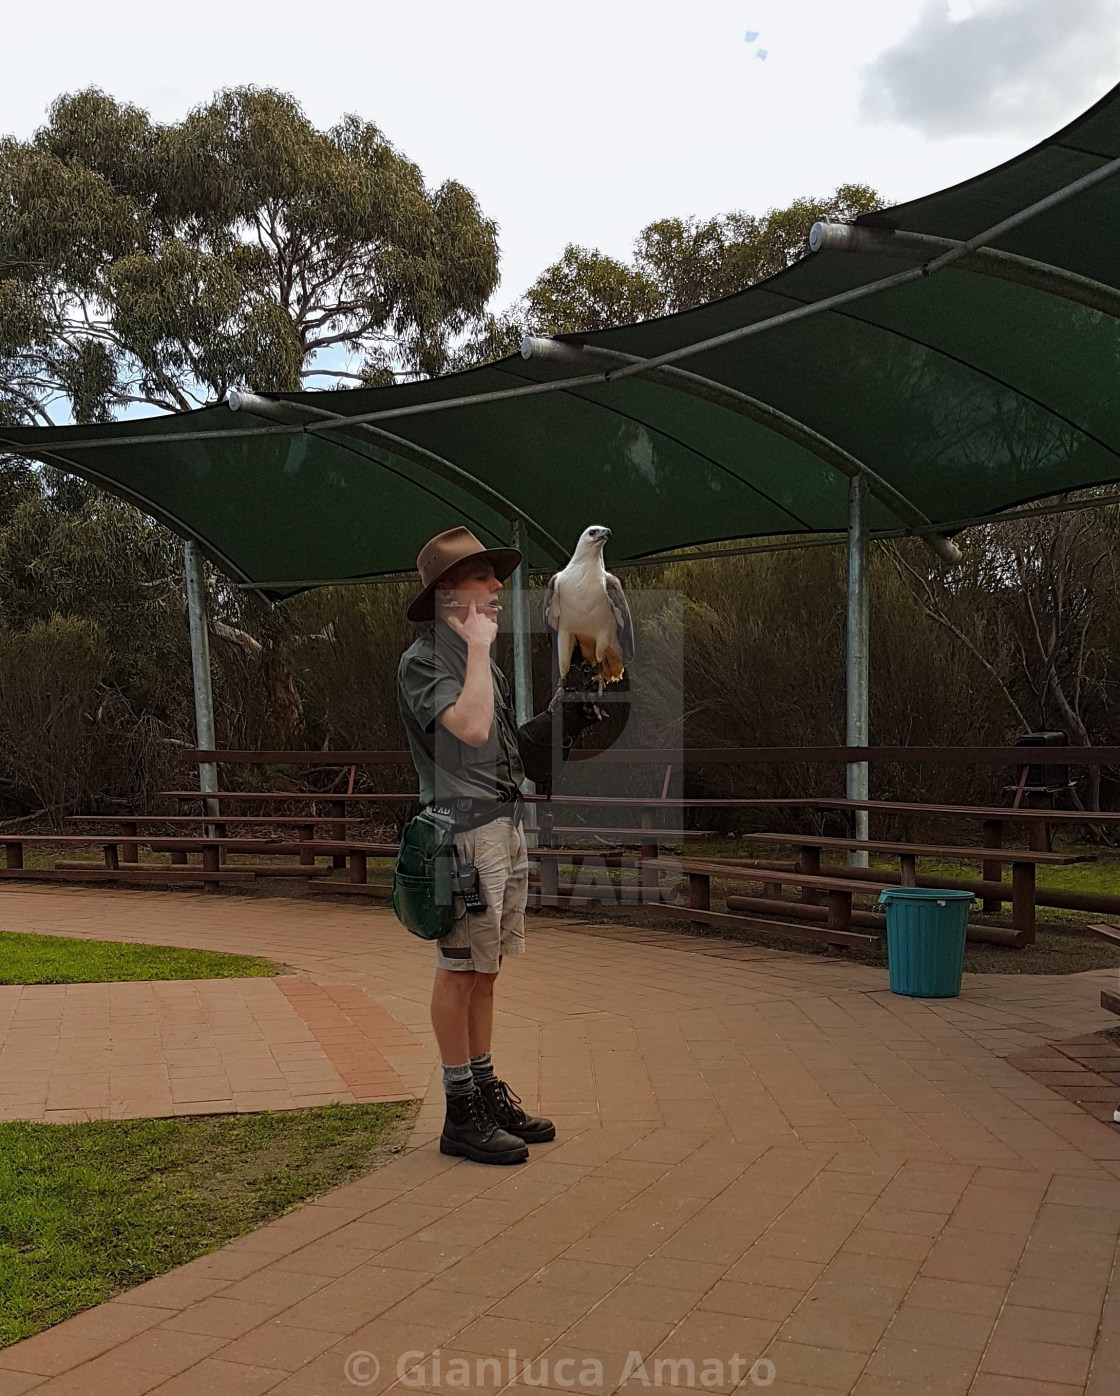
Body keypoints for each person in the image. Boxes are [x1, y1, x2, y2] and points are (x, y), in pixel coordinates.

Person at [397, 526, 598, 1165]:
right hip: (459, 836)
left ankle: (485, 1091)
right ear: (448, 592)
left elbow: (509, 746)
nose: (496, 590)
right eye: (483, 579)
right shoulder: (423, 661)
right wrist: (480, 651)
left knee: (487, 968)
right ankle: (461, 1116)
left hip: (503, 826)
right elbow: (471, 726)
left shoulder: (479, 658)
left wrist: (569, 713)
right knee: (458, 970)